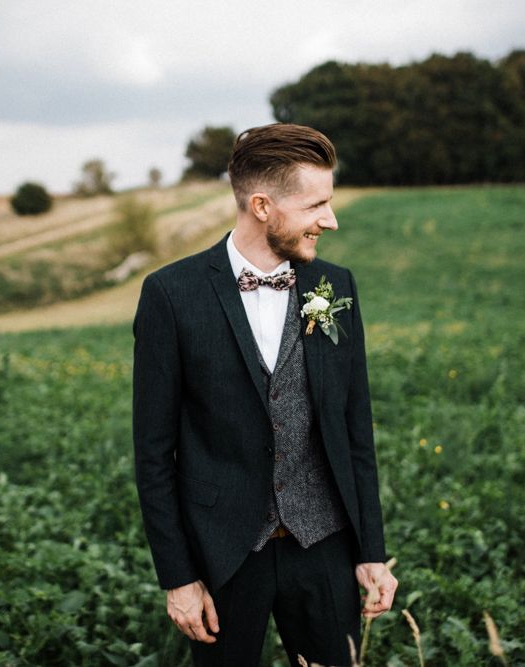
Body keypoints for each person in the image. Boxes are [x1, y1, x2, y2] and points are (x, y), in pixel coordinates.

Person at [132, 123, 398, 666]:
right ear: (261, 205)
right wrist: (179, 577)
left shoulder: (335, 287)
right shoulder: (170, 295)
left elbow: (355, 429)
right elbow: (153, 454)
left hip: (324, 544)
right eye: (315, 205)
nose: (331, 219)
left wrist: (372, 552)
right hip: (222, 553)